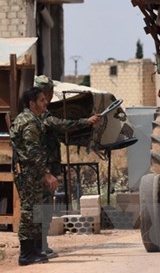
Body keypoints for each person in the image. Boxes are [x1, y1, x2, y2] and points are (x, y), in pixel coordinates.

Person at [33, 75, 101, 258]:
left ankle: (40, 245)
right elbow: (60, 125)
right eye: (47, 92)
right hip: (44, 169)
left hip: (44, 167)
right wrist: (86, 121)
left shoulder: (39, 112)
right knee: (43, 207)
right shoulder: (40, 115)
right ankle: (39, 246)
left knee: (43, 207)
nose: (48, 96)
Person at [10, 87, 54, 266]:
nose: (46, 103)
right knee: (29, 211)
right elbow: (32, 151)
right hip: (29, 173)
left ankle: (35, 250)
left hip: (31, 172)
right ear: (32, 103)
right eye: (42, 100)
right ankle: (26, 253)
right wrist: (46, 174)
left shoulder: (30, 119)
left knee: (35, 209)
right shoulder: (29, 122)